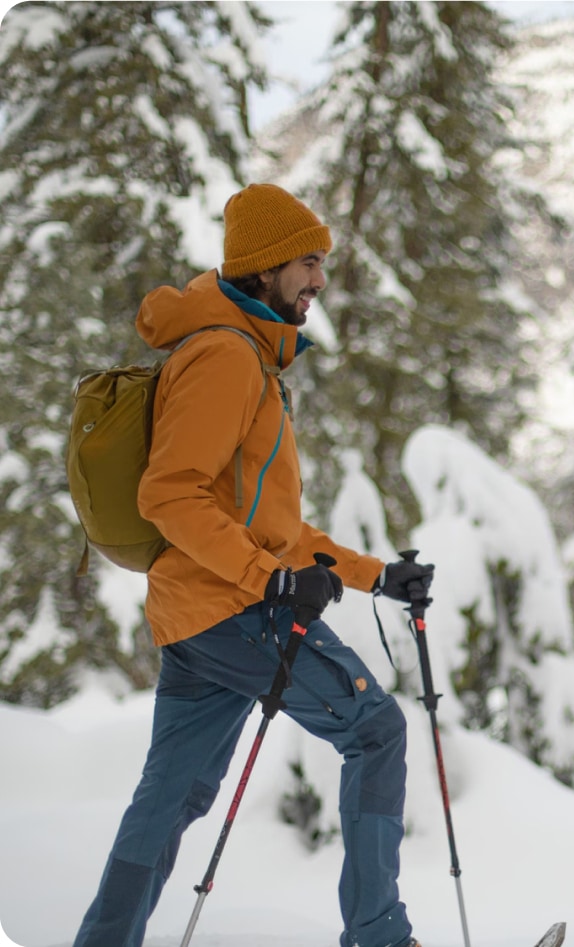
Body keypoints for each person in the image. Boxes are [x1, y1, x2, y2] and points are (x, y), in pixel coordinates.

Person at [73, 183, 435, 947]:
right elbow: (169, 493)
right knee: (376, 730)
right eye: (308, 262)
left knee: (170, 794)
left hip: (199, 611)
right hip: (232, 609)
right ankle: (382, 939)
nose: (320, 280)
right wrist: (267, 580)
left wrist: (378, 576)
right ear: (266, 267)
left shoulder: (245, 356)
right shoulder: (225, 357)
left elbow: (274, 529)